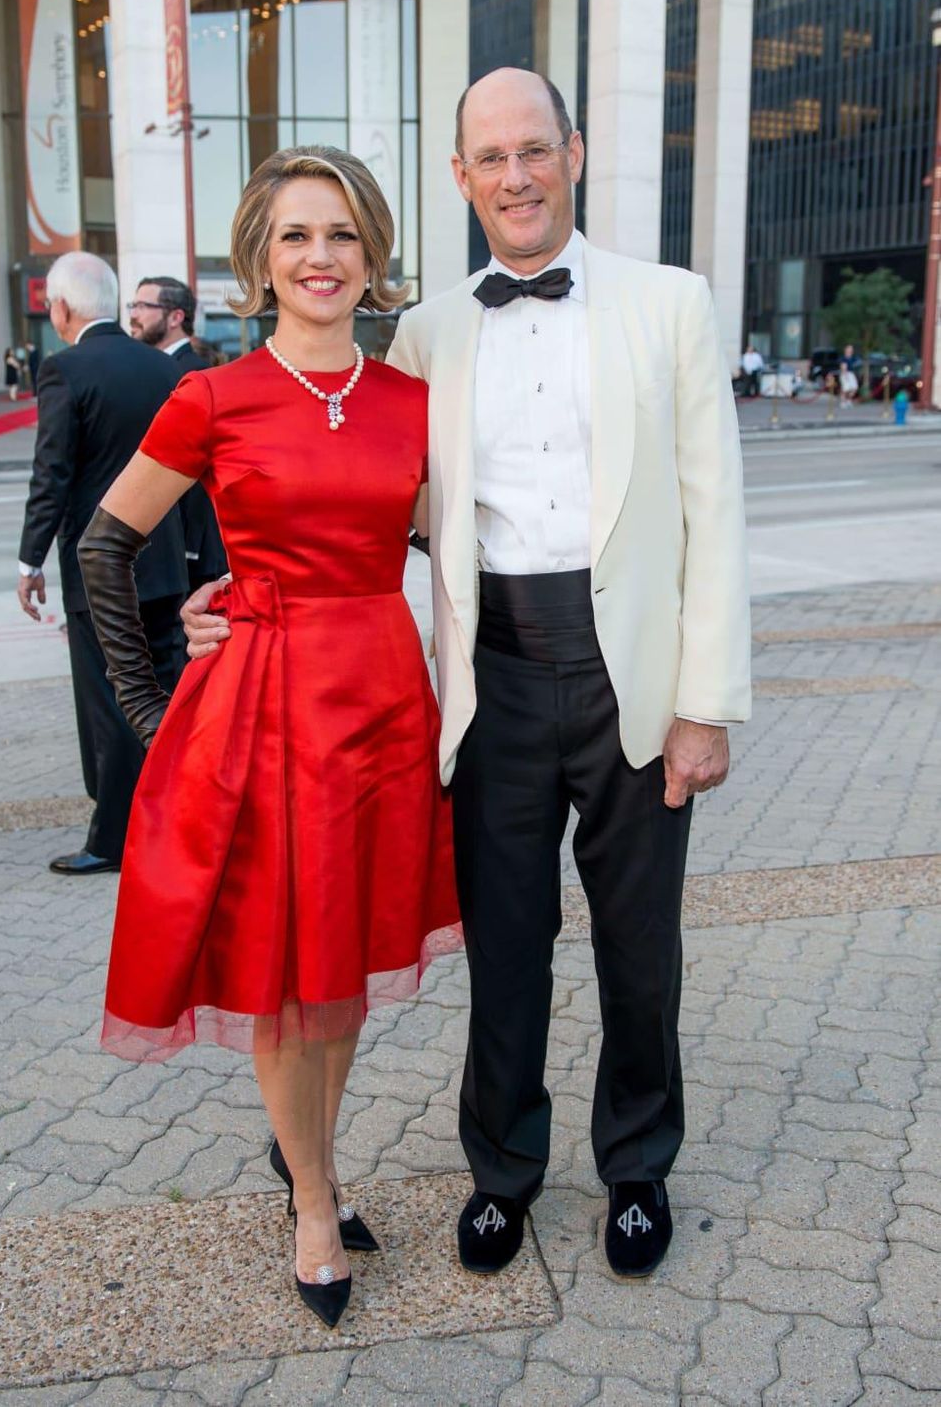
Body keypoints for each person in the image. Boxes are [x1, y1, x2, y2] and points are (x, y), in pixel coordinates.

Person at [183, 70, 751, 1284]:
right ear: (459, 177)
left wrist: (705, 703)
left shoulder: (669, 303)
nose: (515, 176)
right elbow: (355, 499)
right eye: (489, 157)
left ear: (572, 154)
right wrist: (232, 591)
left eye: (533, 149)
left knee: (637, 945)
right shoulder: (426, 331)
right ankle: (501, 1170)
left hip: (635, 677)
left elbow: (714, 515)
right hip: (488, 679)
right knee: (504, 944)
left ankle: (637, 1165)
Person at [76, 147, 461, 1328]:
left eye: (341, 233)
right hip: (266, 714)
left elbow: (449, 545)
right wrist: (149, 708)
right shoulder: (213, 396)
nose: (319, 256)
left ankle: (309, 1155)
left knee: (341, 967)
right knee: (285, 980)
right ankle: (313, 1199)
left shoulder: (414, 403)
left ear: (372, 253)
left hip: (384, 707)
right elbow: (103, 545)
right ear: (259, 258)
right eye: (295, 234)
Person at [16, 252, 188, 875]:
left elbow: (53, 472)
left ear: (62, 308)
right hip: (165, 564)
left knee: (110, 702)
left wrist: (30, 559)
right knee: (163, 694)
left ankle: (113, 839)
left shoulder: (65, 369)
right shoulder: (161, 366)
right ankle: (174, 819)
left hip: (100, 568)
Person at [127, 276, 228, 591]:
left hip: (193, 549)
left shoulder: (194, 374)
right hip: (167, 545)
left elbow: (205, 467)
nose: (133, 314)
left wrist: (189, 546)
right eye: (133, 305)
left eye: (143, 306)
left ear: (175, 317)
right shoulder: (157, 369)